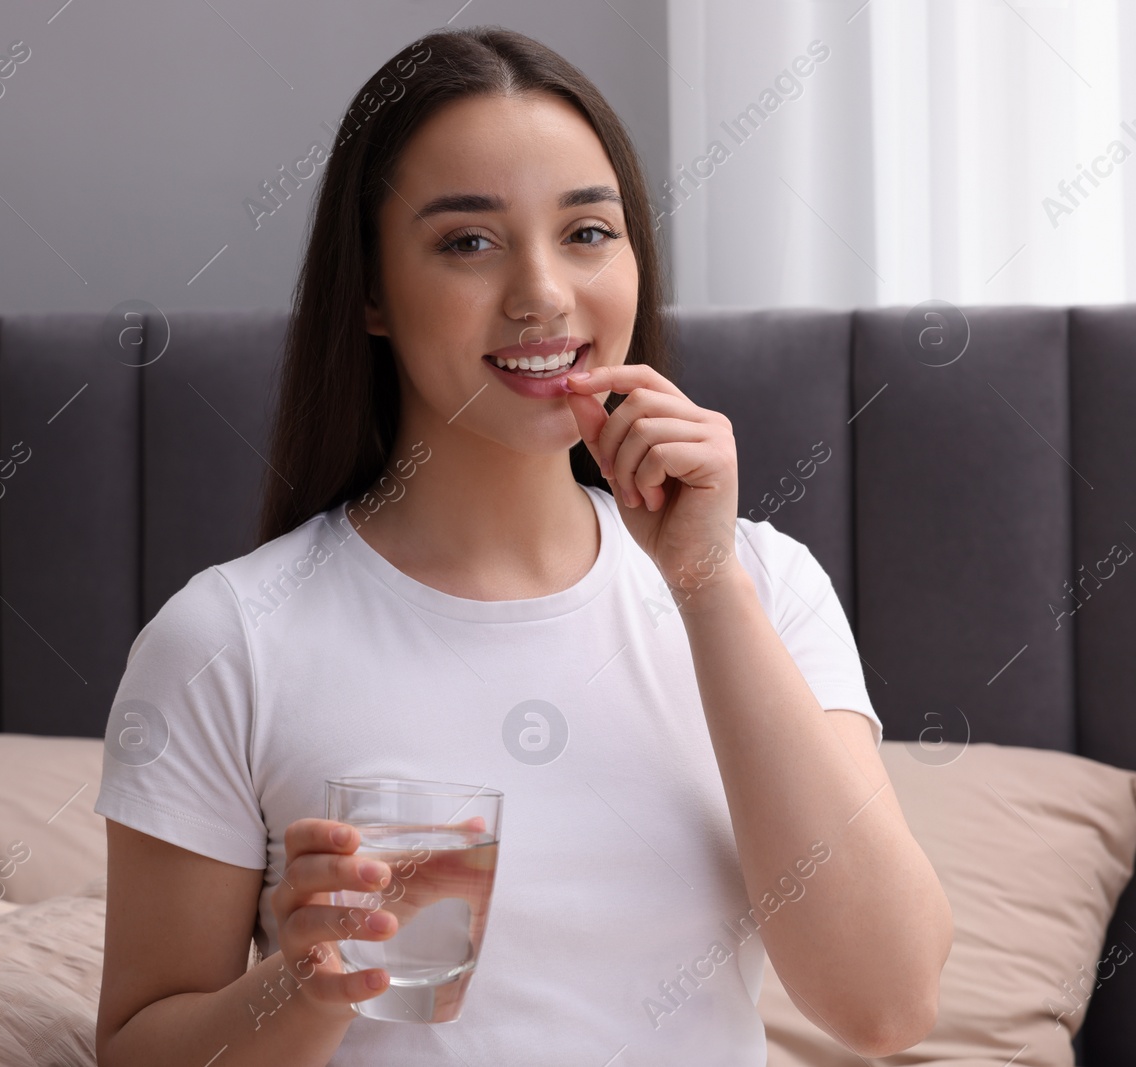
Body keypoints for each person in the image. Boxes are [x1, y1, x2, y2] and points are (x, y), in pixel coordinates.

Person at [93, 25, 951, 1066]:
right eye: (469, 241)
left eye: (588, 232)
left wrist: (704, 586)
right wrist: (305, 985)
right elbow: (137, 1046)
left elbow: (884, 1003)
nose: (543, 292)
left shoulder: (761, 583)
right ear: (370, 291)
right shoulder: (227, 638)